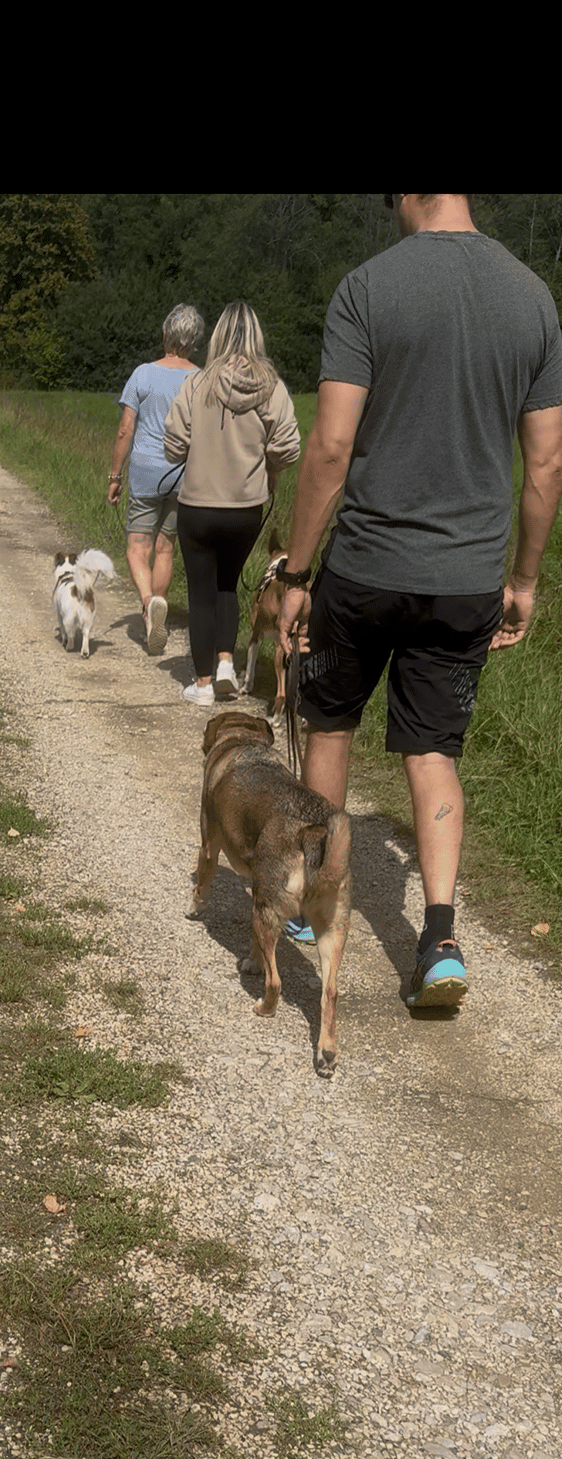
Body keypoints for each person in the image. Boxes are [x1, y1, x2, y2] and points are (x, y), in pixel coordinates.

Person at [276, 193, 562, 1003]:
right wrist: (525, 579)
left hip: (365, 565)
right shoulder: (532, 297)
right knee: (433, 752)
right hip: (468, 576)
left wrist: (297, 573)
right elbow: (546, 465)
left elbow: (330, 446)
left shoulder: (368, 287)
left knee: (330, 723)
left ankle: (313, 903)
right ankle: (440, 939)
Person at [163, 301, 301, 707]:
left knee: (201, 592)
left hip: (198, 506)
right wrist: (268, 466)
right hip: (247, 509)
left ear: (219, 335)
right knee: (228, 585)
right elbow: (288, 446)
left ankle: (203, 682)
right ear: (257, 335)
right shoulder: (272, 387)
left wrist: (197, 449)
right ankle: (226, 662)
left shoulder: (196, 384)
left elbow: (173, 446)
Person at [107, 305, 205, 654]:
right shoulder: (202, 379)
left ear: (165, 335)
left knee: (138, 547)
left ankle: (150, 605)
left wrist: (115, 475)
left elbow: (125, 429)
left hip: (147, 472)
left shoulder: (143, 374)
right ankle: (158, 606)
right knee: (165, 547)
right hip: (185, 475)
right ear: (196, 341)